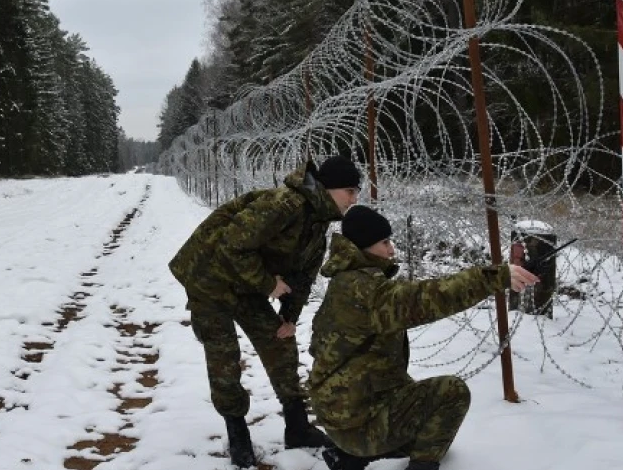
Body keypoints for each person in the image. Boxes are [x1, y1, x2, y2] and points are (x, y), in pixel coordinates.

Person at [309, 205, 539, 470]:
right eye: (384, 242)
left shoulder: (347, 281)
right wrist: (494, 278)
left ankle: (349, 457)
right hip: (356, 425)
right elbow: (427, 298)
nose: (391, 249)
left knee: (425, 418)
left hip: (344, 414)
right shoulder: (365, 290)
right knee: (451, 394)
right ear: (364, 246)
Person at [169, 155, 362, 467]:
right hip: (208, 276)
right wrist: (267, 284)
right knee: (224, 357)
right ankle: (236, 430)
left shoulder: (317, 223)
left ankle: (297, 426)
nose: (354, 199)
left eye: (356, 192)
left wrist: (289, 317)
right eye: (350, 191)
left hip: (246, 282)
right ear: (328, 189)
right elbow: (231, 244)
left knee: (279, 342)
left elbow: (304, 277)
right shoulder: (285, 205)